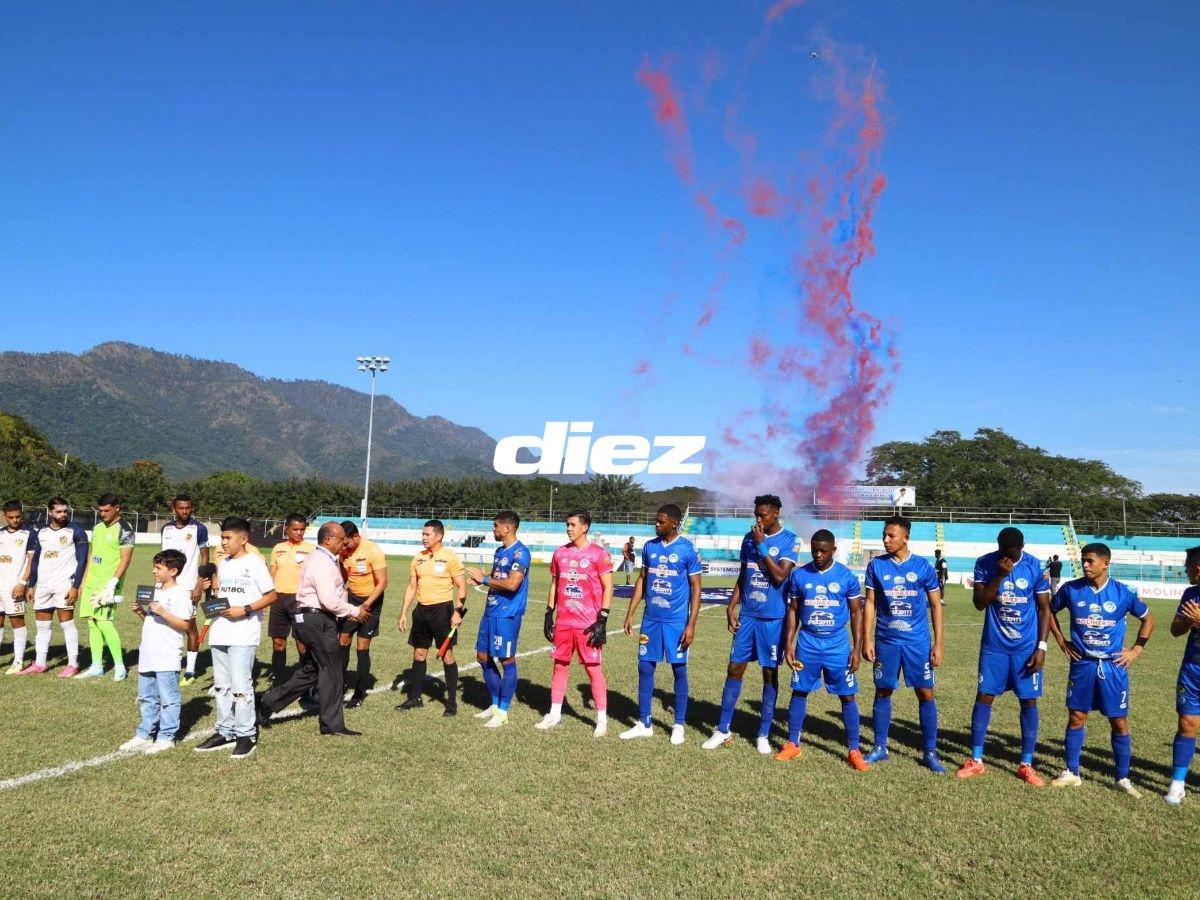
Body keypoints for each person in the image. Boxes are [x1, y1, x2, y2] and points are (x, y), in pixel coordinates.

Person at [1048, 542, 1154, 795]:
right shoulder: (1071, 590)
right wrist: (1062, 641)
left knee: (1118, 721)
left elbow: (1148, 619)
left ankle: (1123, 778)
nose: (1085, 565)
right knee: (1076, 717)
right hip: (1082, 664)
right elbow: (1048, 612)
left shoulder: (1123, 592)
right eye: (1083, 560)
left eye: (1090, 561)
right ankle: (1072, 771)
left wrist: (1135, 650)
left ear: (1106, 563)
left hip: (1113, 666)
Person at [702, 494, 799, 754]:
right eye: (756, 514)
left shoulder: (790, 540)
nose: (758, 519)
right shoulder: (749, 538)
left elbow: (779, 577)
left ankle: (763, 734)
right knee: (734, 669)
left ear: (776, 514)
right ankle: (723, 729)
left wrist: (762, 546)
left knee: (769, 673)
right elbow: (744, 575)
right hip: (748, 617)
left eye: (763, 515)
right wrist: (731, 605)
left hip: (774, 619)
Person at [955, 527, 1051, 786]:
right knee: (984, 696)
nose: (1006, 556)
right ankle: (976, 760)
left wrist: (1041, 646)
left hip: (1026, 648)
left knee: (1029, 701)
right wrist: (999, 574)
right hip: (994, 647)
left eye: (1011, 552)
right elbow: (980, 602)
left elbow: (1044, 610)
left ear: (1021, 547)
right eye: (1002, 550)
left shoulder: (1035, 567)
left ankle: (1026, 764)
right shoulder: (986, 564)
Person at [776, 529, 870, 770]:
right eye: (814, 549)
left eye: (823, 551)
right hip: (807, 643)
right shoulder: (799, 576)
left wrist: (856, 648)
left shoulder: (846, 576)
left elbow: (856, 612)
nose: (818, 554)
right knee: (799, 691)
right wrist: (789, 643)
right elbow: (794, 611)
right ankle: (793, 743)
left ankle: (854, 749)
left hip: (837, 645)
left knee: (847, 695)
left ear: (833, 551)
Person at [259, 521, 364, 737]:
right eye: (340, 538)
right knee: (333, 670)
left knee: (313, 671)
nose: (344, 541)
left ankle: (266, 703)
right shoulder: (322, 563)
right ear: (327, 540)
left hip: (312, 618)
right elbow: (328, 600)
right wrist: (354, 611)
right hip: (317, 619)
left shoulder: (322, 559)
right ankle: (331, 724)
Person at [862, 516, 946, 773]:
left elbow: (935, 605)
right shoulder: (876, 566)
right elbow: (871, 603)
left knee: (925, 692)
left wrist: (938, 643)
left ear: (905, 537)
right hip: (886, 641)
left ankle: (930, 752)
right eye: (884, 536)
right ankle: (880, 747)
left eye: (892, 536)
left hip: (917, 642)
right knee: (883, 690)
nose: (886, 540)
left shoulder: (923, 567)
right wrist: (866, 638)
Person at [192, 517, 276, 759]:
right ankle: (225, 730)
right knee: (221, 686)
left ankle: (246, 734)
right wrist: (211, 592)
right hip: (220, 631)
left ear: (244, 539)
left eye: (228, 538)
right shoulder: (222, 563)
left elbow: (272, 596)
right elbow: (221, 596)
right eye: (222, 538)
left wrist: (245, 609)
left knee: (241, 687)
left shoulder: (255, 562)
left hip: (243, 634)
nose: (224, 542)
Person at [620, 504, 701, 745]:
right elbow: (642, 580)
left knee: (678, 670)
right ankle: (644, 723)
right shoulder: (649, 547)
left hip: (676, 622)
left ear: (674, 523)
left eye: (661, 521)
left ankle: (678, 725)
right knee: (645, 667)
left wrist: (691, 624)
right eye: (656, 520)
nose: (656, 524)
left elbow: (697, 588)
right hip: (651, 619)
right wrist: (630, 613)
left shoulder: (687, 549)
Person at [536, 510, 613, 736]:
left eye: (572, 525)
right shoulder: (560, 553)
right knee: (560, 665)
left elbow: (609, 587)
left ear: (585, 527)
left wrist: (603, 618)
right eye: (567, 525)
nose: (568, 529)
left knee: (593, 669)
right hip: (564, 622)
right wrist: (549, 612)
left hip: (588, 623)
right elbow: (555, 583)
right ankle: (555, 713)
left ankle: (601, 719)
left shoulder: (599, 554)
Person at [120, 549, 193, 754]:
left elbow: (185, 626)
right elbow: (155, 622)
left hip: (167, 654)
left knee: (168, 698)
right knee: (146, 696)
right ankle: (144, 733)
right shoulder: (156, 590)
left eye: (158, 568)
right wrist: (142, 613)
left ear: (173, 571)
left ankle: (166, 736)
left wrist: (164, 612)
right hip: (148, 653)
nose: (154, 571)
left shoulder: (180, 594)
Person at [466, 511, 531, 728]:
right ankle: (494, 705)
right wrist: (483, 580)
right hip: (490, 611)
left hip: (507, 615)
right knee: (483, 657)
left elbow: (512, 584)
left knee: (506, 660)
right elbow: (497, 580)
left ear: (508, 528)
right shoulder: (498, 551)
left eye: (496, 526)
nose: (493, 529)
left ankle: (502, 710)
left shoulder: (521, 553)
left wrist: (484, 579)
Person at [397, 520, 467, 715]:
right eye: (423, 534)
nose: (423, 538)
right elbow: (412, 586)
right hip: (421, 612)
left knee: (447, 655)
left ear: (439, 536)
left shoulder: (450, 558)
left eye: (427, 535)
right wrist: (403, 613)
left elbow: (462, 585)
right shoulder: (418, 558)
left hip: (442, 611)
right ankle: (415, 698)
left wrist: (458, 611)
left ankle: (451, 702)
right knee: (419, 653)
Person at [21, 497, 87, 676]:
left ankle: (73, 664)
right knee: (42, 626)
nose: (63, 514)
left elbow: (82, 561)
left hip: (64, 585)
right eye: (58, 511)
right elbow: (35, 560)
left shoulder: (77, 531)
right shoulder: (41, 532)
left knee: (67, 624)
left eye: (65, 511)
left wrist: (75, 586)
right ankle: (40, 663)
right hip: (43, 585)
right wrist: (32, 584)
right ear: (50, 512)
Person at [75, 493, 134, 680]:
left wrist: (112, 584)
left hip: (109, 584)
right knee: (91, 622)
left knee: (104, 622)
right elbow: (93, 556)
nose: (103, 514)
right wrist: (84, 582)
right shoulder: (98, 528)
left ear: (117, 508)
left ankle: (119, 667)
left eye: (107, 510)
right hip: (92, 582)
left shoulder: (125, 528)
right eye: (100, 511)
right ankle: (96, 665)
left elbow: (125, 560)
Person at [336, 521, 387, 708]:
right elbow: (343, 577)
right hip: (351, 599)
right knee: (343, 640)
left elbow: (382, 583)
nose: (344, 546)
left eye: (347, 542)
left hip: (371, 602)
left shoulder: (373, 551)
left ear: (356, 537)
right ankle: (338, 686)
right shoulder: (343, 551)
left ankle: (359, 691)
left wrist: (366, 605)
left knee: (362, 646)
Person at [159, 493, 209, 685]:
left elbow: (205, 556)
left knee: (190, 626)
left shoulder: (199, 528)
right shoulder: (166, 528)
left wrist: (199, 583)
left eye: (188, 508)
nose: (185, 511)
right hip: (166, 586)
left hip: (188, 587)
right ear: (174, 508)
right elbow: (161, 557)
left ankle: (190, 670)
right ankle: (171, 662)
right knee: (166, 623)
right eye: (181, 508)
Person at [1166, 546, 1200, 805]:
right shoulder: (1190, 594)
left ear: (1197, 569)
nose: (1185, 571)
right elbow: (1175, 630)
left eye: (1187, 567)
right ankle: (1177, 784)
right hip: (1192, 670)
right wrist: (1188, 622)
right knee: (1186, 725)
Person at [267, 513, 313, 683]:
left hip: (300, 600)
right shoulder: (278, 548)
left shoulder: (311, 549)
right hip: (278, 599)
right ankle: (278, 677)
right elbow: (272, 573)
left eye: (302, 530)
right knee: (278, 641)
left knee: (301, 641)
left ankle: (305, 677)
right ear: (286, 529)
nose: (299, 533)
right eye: (295, 529)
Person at [0, 500, 37, 675]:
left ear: (22, 514)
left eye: (18, 516)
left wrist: (23, 583)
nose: (15, 520)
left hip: (15, 587)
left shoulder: (30, 534)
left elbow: (32, 561)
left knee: (17, 621)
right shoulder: (0, 533)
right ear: (4, 515)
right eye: (11, 517)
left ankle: (18, 661)